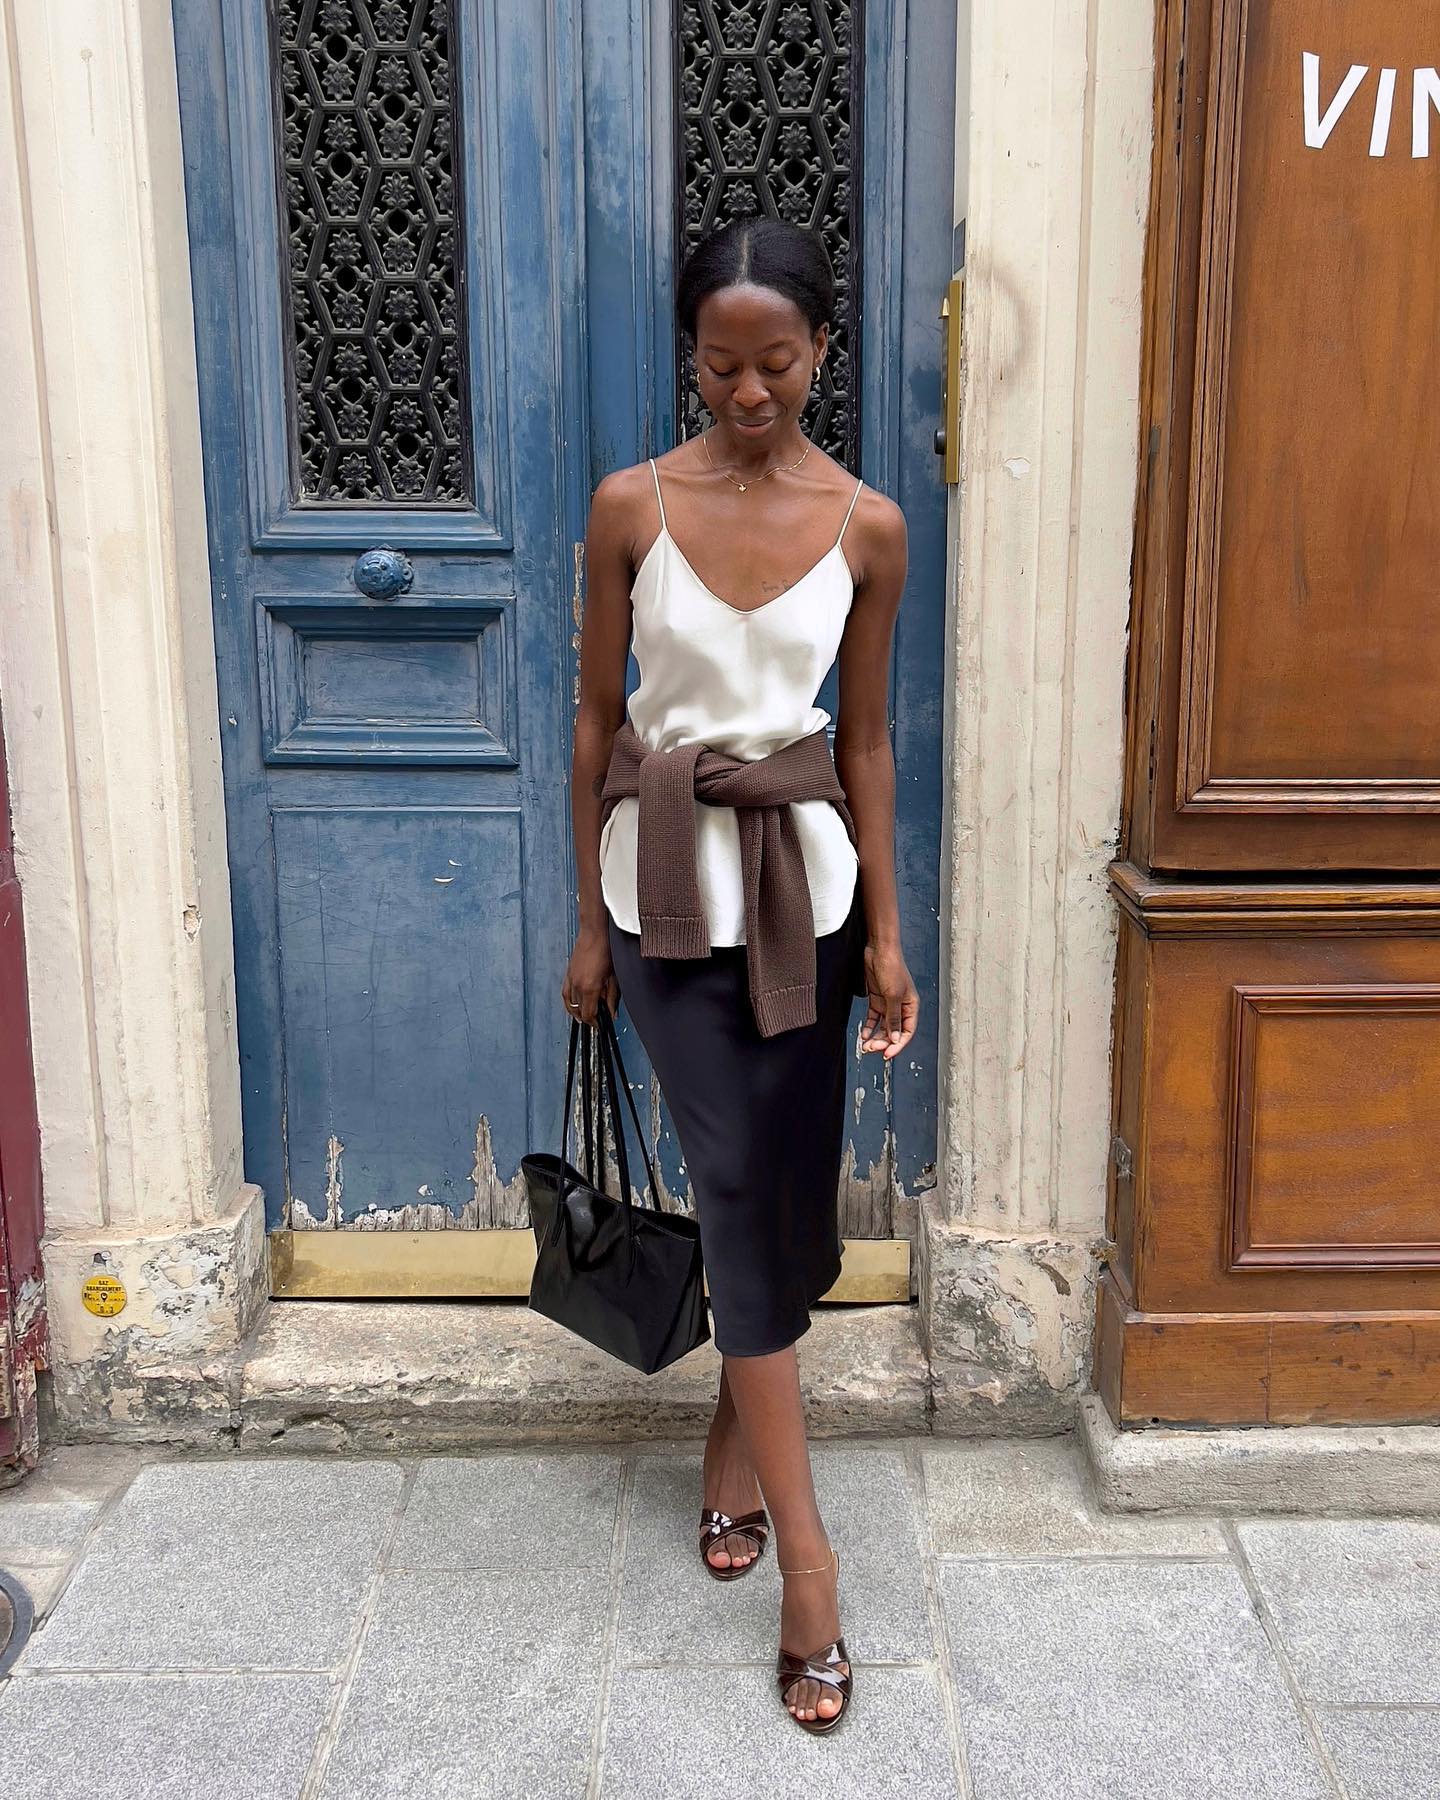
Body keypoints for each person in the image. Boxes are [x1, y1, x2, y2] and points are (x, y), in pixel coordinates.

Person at [562, 215, 918, 1734]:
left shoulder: (872, 528)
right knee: (732, 1186)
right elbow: (593, 721)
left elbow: (869, 741)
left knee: (777, 1199)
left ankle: (730, 1448)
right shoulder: (629, 506)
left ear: (823, 350)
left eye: (778, 362)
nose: (750, 392)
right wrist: (585, 930)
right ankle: (814, 1574)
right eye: (721, 364)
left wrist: (893, 936)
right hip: (658, 905)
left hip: (809, 899)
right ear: (687, 355)